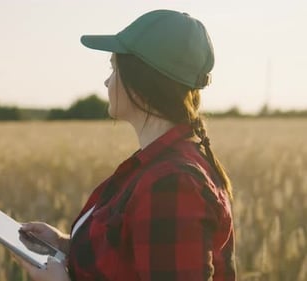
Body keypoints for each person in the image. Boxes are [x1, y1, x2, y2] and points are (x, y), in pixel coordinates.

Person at [14, 9, 236, 281]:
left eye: (114, 68)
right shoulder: (159, 165)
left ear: (141, 81)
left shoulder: (171, 182)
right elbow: (129, 259)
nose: (107, 81)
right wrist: (64, 245)